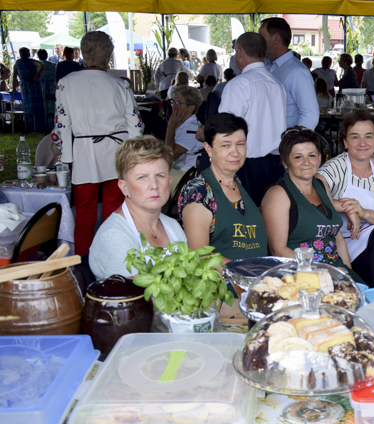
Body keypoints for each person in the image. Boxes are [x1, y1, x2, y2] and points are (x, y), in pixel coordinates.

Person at [52, 31, 143, 256]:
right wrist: (134, 156)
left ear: (82, 53)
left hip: (84, 152)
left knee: (84, 214)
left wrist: (65, 158)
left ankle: (83, 263)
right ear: (107, 57)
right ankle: (113, 258)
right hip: (117, 152)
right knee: (114, 210)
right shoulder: (120, 85)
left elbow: (61, 125)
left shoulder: (66, 83)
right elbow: (136, 125)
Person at [315, 110, 374, 287]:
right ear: (345, 142)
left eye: (368, 136)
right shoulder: (336, 167)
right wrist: (348, 208)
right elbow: (314, 193)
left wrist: (363, 212)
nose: (363, 143)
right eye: (355, 137)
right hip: (343, 244)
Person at [262, 128, 358, 279]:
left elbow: (337, 238)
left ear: (320, 158)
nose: (306, 162)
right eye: (298, 157)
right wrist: (320, 271)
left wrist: (349, 277)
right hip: (300, 274)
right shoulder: (278, 194)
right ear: (285, 162)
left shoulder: (321, 186)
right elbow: (278, 249)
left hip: (335, 271)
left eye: (311, 155)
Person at [89, 136, 187, 279]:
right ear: (124, 187)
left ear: (169, 181)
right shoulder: (113, 236)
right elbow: (141, 296)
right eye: (142, 177)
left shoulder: (172, 226)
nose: (154, 185)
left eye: (160, 175)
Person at [179, 113, 268, 262]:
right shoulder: (199, 191)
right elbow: (199, 255)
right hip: (223, 283)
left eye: (240, 144)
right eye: (226, 145)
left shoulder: (236, 181)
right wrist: (245, 272)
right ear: (208, 148)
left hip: (256, 280)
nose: (235, 152)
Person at [218, 31, 287, 207]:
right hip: (275, 163)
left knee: (245, 219)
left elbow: (225, 129)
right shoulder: (277, 85)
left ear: (239, 52)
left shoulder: (238, 85)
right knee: (270, 216)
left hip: (247, 165)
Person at [261, 17, 319, 130]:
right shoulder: (266, 66)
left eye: (262, 37)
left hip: (284, 144)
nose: (258, 41)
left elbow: (310, 115)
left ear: (276, 38)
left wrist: (292, 143)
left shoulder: (297, 71)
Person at [166, 86, 204, 173]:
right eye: (173, 102)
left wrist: (170, 127)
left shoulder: (192, 128)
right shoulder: (182, 124)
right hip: (180, 168)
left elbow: (169, 155)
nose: (174, 106)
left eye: (178, 103)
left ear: (191, 108)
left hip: (188, 174)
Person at [12, 47, 47, 133]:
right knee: (37, 107)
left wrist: (13, 88)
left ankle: (30, 127)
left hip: (24, 85)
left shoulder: (17, 63)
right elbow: (42, 65)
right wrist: (36, 74)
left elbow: (14, 77)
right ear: (28, 53)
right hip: (34, 84)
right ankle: (39, 127)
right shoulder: (31, 61)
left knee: (27, 107)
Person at [36, 49, 57, 130]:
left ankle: (44, 124)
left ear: (38, 56)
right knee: (52, 106)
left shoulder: (37, 66)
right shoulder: (54, 65)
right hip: (52, 87)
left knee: (43, 106)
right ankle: (52, 124)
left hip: (42, 87)